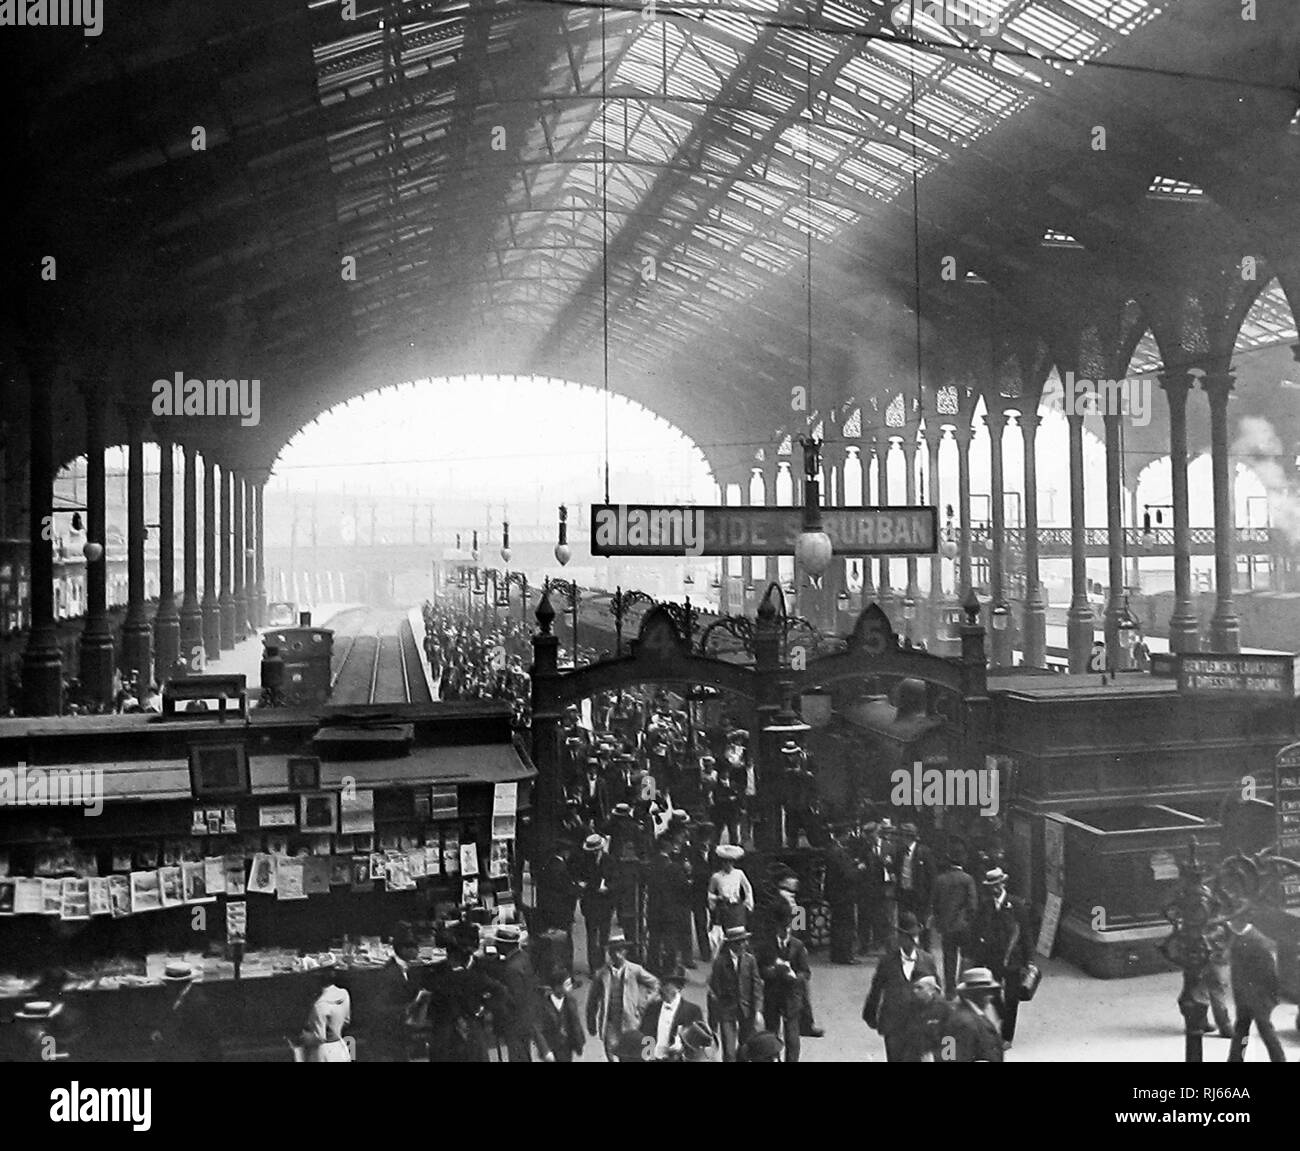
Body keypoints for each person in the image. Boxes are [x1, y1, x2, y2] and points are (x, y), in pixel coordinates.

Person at [862, 911, 938, 1062]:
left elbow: (936, 990)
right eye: (908, 937)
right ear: (900, 938)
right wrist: (870, 1015)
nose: (912, 941)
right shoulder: (887, 961)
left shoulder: (927, 960)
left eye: (915, 937)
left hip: (918, 1025)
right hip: (893, 1025)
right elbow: (876, 989)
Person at [972, 867, 1035, 1047]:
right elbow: (977, 932)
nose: (994, 889)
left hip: (1013, 959)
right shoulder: (985, 906)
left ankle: (1007, 1036)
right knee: (992, 993)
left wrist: (1030, 960)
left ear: (1003, 884)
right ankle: (1002, 1015)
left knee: (1012, 997)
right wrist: (977, 959)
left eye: (997, 885)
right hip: (992, 958)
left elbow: (1026, 934)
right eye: (991, 886)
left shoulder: (1016, 905)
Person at [586, 929, 660, 1061]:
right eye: (613, 951)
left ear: (625, 952)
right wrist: (591, 1021)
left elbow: (655, 984)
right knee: (612, 1052)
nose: (617, 955)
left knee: (630, 1053)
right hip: (610, 1021)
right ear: (609, 953)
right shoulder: (602, 974)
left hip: (630, 1020)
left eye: (620, 951)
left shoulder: (634, 970)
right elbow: (592, 1000)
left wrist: (644, 1001)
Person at [755, 901, 812, 1062]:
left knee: (792, 1037)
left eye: (787, 928)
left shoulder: (798, 946)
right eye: (782, 928)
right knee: (771, 1035)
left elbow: (806, 972)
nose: (785, 932)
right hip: (772, 996)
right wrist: (771, 971)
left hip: (791, 997)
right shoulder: (766, 946)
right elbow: (759, 970)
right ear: (776, 928)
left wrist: (794, 975)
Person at [1226, 911, 1286, 1062]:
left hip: (1258, 998)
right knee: (1242, 1031)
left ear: (1242, 920)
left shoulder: (1258, 942)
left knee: (1264, 1031)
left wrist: (1269, 998)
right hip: (1246, 996)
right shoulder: (1241, 937)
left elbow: (1270, 973)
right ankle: (1236, 1059)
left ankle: (1278, 1059)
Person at [707, 925, 764, 1062]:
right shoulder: (720, 962)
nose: (744, 945)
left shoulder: (750, 960)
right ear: (732, 944)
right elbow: (714, 988)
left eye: (745, 941)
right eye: (740, 942)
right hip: (727, 1010)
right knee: (729, 1051)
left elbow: (756, 986)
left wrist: (757, 1011)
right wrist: (716, 1014)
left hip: (746, 1009)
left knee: (745, 1049)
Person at [150, 962, 223, 1062]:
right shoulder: (176, 996)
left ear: (178, 984)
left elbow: (207, 1036)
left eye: (169, 982)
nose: (167, 985)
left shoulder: (198, 1003)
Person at [931, 851, 979, 996]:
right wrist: (969, 920)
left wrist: (939, 922)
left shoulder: (940, 880)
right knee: (966, 956)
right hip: (964, 925)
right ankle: (963, 985)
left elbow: (935, 903)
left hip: (946, 926)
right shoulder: (967, 879)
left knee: (949, 957)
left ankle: (950, 989)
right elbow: (972, 904)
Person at [936, 967, 1004, 1062]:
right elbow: (949, 1057)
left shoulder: (966, 1014)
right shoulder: (964, 1022)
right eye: (986, 992)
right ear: (975, 994)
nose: (990, 996)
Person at [640, 966, 704, 1061]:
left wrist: (682, 1046)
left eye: (667, 985)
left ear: (678, 987)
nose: (661, 989)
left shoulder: (692, 1011)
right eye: (662, 984)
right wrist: (646, 1056)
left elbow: (698, 1043)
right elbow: (644, 1034)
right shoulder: (652, 1008)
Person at [494, 924, 537, 1062]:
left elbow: (514, 998)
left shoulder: (511, 968)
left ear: (505, 945)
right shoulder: (523, 957)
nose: (495, 945)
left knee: (517, 1056)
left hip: (516, 1020)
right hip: (527, 1014)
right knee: (524, 1052)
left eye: (498, 942)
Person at [576, 833, 615, 976]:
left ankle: (602, 963)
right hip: (591, 902)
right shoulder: (584, 861)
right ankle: (594, 967)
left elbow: (615, 880)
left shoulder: (609, 860)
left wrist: (609, 888)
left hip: (606, 903)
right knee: (592, 936)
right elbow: (580, 878)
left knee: (604, 935)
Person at [891, 822, 934, 948]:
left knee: (922, 925)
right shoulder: (900, 852)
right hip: (904, 894)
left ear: (908, 837)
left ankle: (925, 951)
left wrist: (930, 899)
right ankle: (907, 948)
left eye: (903, 836)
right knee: (905, 924)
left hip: (920, 896)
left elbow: (931, 877)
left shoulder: (924, 852)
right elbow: (896, 869)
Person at [299, 966, 352, 1062]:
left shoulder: (319, 1005)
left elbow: (320, 1037)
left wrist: (305, 1037)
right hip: (340, 1048)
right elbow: (346, 1020)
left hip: (323, 1054)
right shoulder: (344, 994)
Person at [824, 829, 860, 965]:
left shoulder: (833, 850)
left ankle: (836, 954)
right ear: (843, 835)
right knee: (846, 925)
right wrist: (858, 869)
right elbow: (847, 874)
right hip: (843, 894)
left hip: (836, 894)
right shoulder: (838, 852)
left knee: (837, 924)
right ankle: (845, 955)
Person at [533, 968, 585, 1063]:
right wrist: (545, 1051)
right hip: (551, 1047)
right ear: (557, 987)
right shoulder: (543, 1005)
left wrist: (579, 1042)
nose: (570, 987)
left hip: (566, 1046)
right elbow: (537, 1029)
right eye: (567, 985)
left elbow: (575, 1022)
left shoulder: (571, 1001)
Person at [707, 843, 754, 939]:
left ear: (733, 863)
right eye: (725, 862)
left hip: (737, 907)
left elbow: (748, 888)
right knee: (726, 934)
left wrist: (748, 902)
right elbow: (709, 893)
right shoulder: (716, 876)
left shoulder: (739, 873)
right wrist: (717, 898)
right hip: (724, 907)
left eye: (729, 862)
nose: (727, 865)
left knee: (740, 933)